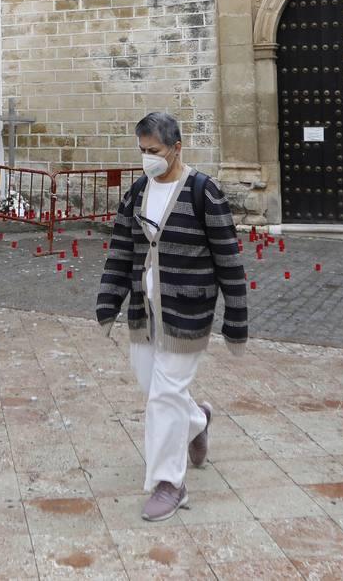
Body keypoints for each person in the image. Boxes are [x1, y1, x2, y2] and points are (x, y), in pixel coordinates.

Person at [97, 111, 248, 522]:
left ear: (177, 148)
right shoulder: (137, 193)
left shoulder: (204, 192)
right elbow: (121, 251)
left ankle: (170, 484)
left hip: (188, 313)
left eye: (155, 151)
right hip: (144, 315)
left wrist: (236, 318)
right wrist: (108, 301)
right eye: (143, 151)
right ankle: (197, 422)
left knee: (163, 397)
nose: (148, 158)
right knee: (156, 389)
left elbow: (228, 261)